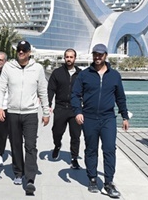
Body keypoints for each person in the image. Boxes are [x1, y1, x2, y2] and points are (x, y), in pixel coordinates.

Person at [71, 44, 129, 198]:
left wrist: (124, 116)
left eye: (100, 55)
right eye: (95, 54)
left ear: (106, 56)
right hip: (89, 118)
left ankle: (109, 183)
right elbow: (75, 95)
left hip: (108, 118)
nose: (97, 57)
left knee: (109, 149)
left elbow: (120, 97)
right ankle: (92, 179)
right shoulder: (84, 74)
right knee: (91, 150)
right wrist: (78, 112)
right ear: (92, 55)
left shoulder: (114, 75)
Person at [0, 40, 50, 196]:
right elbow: (1, 89)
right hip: (12, 112)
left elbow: (43, 91)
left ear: (29, 52)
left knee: (31, 146)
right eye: (19, 50)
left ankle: (30, 178)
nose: (21, 52)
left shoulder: (37, 68)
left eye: (24, 50)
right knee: (15, 144)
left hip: (30, 113)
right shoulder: (8, 67)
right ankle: (18, 172)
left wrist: (45, 112)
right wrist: (0, 107)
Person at [47, 48, 82, 169]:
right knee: (56, 132)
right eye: (67, 57)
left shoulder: (81, 74)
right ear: (64, 58)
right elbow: (51, 89)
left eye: (71, 57)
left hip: (75, 109)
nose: (69, 59)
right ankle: (57, 146)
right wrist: (49, 104)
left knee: (75, 135)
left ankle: (74, 158)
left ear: (75, 58)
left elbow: (87, 91)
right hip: (61, 108)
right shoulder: (57, 72)